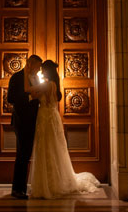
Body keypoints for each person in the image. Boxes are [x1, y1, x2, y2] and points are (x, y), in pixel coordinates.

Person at [26, 59, 101, 199]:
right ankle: (54, 180)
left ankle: (48, 184)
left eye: (42, 70)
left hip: (45, 118)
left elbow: (30, 92)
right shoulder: (54, 84)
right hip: (52, 117)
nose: (41, 72)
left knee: (46, 148)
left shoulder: (46, 85)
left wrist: (29, 76)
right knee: (54, 148)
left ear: (46, 71)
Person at [6, 54, 42, 199]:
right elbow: (11, 98)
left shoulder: (36, 78)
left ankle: (22, 188)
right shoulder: (16, 77)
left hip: (33, 121)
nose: (39, 70)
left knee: (26, 155)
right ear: (31, 64)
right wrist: (30, 97)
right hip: (21, 121)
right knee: (21, 155)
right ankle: (17, 190)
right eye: (38, 66)